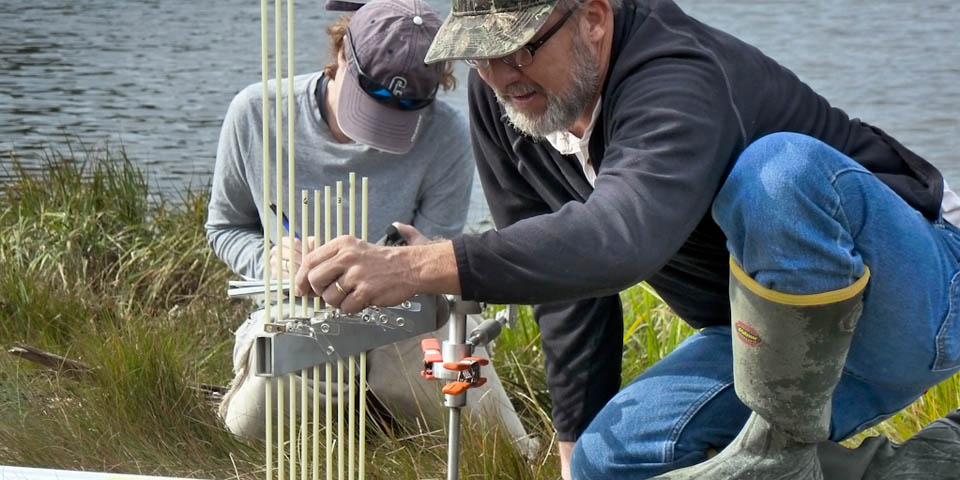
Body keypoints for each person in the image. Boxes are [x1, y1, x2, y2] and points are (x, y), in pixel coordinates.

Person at [291, 0, 960, 478]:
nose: (501, 74)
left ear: (593, 17)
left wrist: (417, 267)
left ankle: (775, 456)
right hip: (771, 346)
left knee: (778, 172)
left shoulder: (675, 75)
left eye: (521, 45)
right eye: (480, 54)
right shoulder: (507, 103)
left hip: (916, 298)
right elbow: (567, 286)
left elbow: (620, 237)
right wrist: (572, 441)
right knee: (607, 461)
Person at [205, 0, 531, 451]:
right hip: (296, 317)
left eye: (404, 112)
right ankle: (362, 412)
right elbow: (224, 228)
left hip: (403, 321)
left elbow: (435, 250)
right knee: (247, 431)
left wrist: (423, 258)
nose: (379, 131)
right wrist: (270, 259)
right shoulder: (256, 113)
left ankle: (389, 408)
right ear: (341, 51)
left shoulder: (446, 134)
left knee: (493, 441)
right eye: (372, 103)